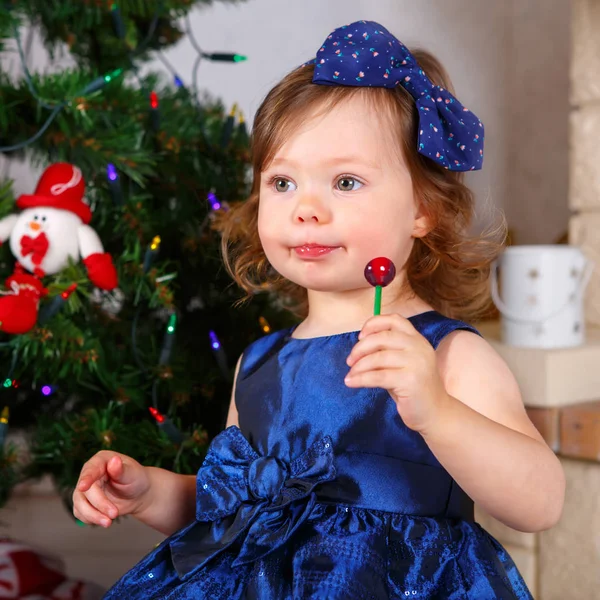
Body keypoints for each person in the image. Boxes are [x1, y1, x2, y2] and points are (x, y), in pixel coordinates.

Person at [73, 20, 565, 599]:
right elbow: (229, 511)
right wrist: (151, 493)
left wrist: (435, 410)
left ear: (423, 209)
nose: (306, 208)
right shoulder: (259, 363)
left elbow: (541, 501)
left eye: (347, 181)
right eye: (282, 182)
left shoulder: (446, 354)